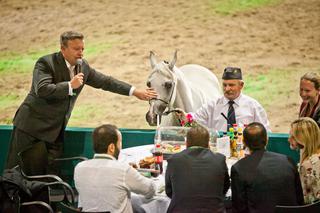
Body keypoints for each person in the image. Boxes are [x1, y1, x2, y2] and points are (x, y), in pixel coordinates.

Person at [5, 31, 157, 174]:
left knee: (49, 176)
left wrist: (135, 91)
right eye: (76, 49)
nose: (81, 52)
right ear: (63, 49)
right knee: (18, 175)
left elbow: (106, 82)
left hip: (55, 132)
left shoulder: (82, 66)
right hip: (31, 129)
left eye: (82, 48)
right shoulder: (45, 63)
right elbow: (42, 89)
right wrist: (70, 85)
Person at [74, 124, 156, 213]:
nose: (121, 147)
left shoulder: (79, 168)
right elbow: (150, 190)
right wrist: (135, 174)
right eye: (120, 142)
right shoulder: (123, 170)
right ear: (112, 148)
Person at [231, 122, 303, 213]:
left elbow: (239, 208)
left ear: (244, 142)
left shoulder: (238, 168)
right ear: (267, 139)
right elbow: (300, 199)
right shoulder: (288, 161)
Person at [177, 67, 270, 132]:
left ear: (241, 85)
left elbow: (265, 132)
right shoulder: (212, 105)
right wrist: (185, 117)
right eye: (224, 85)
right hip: (218, 155)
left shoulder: (253, 106)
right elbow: (195, 119)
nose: (227, 89)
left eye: (231, 85)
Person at [165, 125, 230, 213]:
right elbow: (225, 188)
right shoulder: (219, 160)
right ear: (208, 143)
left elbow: (169, 191)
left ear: (186, 143)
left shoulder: (174, 160)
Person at [289, 117, 320, 204]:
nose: (289, 139)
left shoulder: (307, 166)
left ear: (303, 139)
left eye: (293, 137)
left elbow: (307, 201)